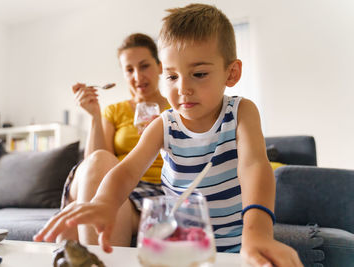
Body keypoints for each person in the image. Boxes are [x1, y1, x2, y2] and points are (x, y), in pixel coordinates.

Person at [34, 4, 303, 267]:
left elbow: (254, 166)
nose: (183, 88)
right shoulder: (164, 124)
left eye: (198, 74)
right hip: (179, 246)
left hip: (238, 244)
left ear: (231, 73)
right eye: (172, 77)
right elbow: (127, 171)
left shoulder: (242, 111)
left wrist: (257, 233)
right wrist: (105, 202)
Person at [34, 33, 169, 247]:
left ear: (160, 67)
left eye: (144, 66)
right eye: (129, 69)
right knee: (98, 161)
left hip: (156, 189)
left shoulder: (177, 109)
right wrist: (95, 116)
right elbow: (95, 166)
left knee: (72, 219)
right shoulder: (115, 111)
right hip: (116, 186)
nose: (137, 76)